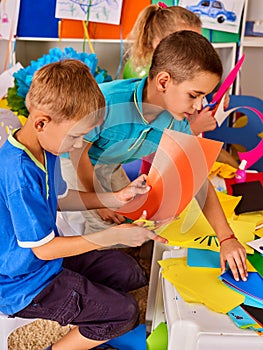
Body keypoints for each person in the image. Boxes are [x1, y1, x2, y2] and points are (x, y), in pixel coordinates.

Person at [0, 59, 167, 350]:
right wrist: (111, 236)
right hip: (22, 284)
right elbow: (43, 248)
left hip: (45, 264)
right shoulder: (19, 172)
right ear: (41, 122)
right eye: (76, 136)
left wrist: (113, 197)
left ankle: (88, 318)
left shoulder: (43, 145)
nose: (79, 146)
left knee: (127, 272)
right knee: (124, 312)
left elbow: (59, 201)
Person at [66, 31, 247, 282]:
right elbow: (78, 155)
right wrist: (100, 201)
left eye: (203, 96)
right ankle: (87, 276)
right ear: (163, 82)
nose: (198, 106)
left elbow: (198, 181)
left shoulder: (177, 119)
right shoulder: (107, 102)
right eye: (194, 95)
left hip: (109, 163)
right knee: (102, 230)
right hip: (71, 163)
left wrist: (226, 237)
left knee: (134, 216)